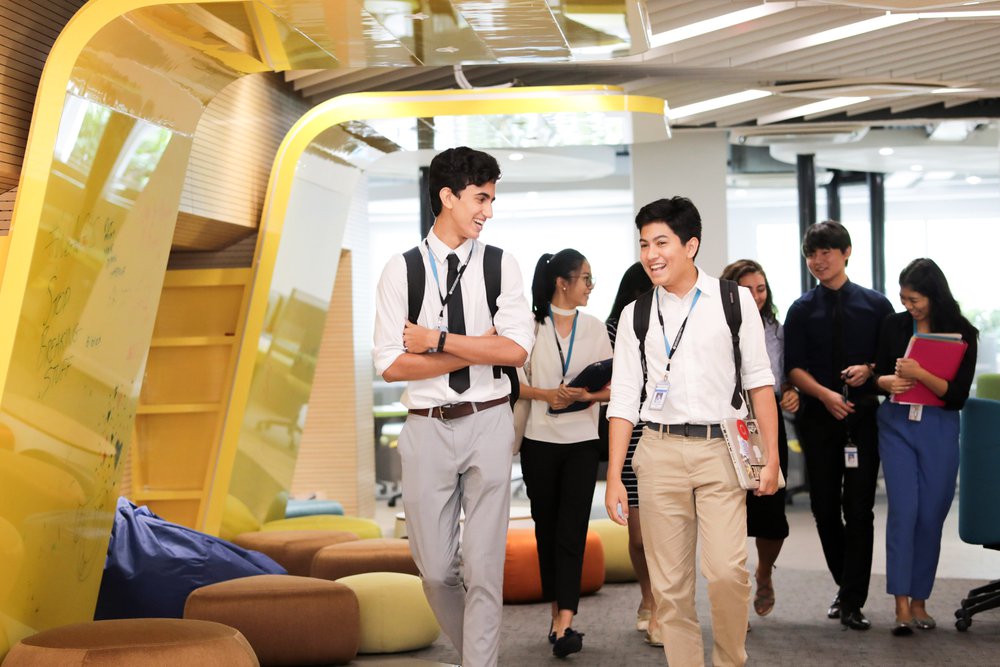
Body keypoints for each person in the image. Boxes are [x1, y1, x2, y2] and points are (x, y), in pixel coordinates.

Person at [372, 146, 534, 667]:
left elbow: (514, 351)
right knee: (437, 570)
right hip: (425, 428)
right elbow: (392, 365)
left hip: (488, 420)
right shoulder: (401, 271)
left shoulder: (501, 265)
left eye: (491, 198)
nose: (489, 210)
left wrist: (435, 339)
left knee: (485, 567)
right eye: (480, 198)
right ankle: (475, 653)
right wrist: (468, 345)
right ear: (447, 196)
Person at [605, 197, 779, 667]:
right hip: (657, 450)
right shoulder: (634, 314)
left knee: (726, 572)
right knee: (670, 588)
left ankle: (729, 660)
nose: (651, 254)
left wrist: (773, 458)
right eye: (643, 244)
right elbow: (623, 399)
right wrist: (616, 475)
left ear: (691, 245)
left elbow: (760, 382)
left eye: (661, 242)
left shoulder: (732, 300)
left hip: (721, 448)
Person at [784, 220, 894, 631]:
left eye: (826, 251)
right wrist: (825, 395)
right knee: (824, 508)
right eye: (811, 254)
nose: (818, 260)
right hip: (817, 418)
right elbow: (793, 368)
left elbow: (888, 362)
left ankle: (851, 600)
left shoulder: (876, 305)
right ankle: (846, 589)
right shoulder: (801, 308)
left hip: (863, 419)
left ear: (846, 252)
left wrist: (868, 369)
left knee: (859, 508)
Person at [874, 258, 978, 636]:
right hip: (897, 424)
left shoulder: (963, 332)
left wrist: (921, 375)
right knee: (904, 511)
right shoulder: (893, 325)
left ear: (934, 296)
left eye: (915, 299)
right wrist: (886, 381)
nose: (908, 306)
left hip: (939, 425)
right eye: (903, 297)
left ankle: (920, 599)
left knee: (931, 516)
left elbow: (958, 396)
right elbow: (876, 374)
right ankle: (901, 602)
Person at [517, 249, 612, 658]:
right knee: (547, 529)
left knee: (572, 529)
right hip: (538, 442)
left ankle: (567, 622)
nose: (590, 287)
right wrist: (547, 394)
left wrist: (585, 394)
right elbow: (511, 382)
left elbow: (615, 387)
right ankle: (557, 615)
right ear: (563, 282)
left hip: (581, 444)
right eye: (586, 278)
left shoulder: (594, 327)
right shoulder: (529, 327)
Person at [720, 259, 799, 618]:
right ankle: (734, 596)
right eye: (747, 289)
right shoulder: (715, 326)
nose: (755, 296)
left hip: (766, 426)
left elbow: (782, 378)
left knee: (770, 513)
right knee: (729, 513)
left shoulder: (776, 330)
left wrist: (791, 390)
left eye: (761, 289)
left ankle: (764, 572)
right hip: (726, 425)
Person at [605, 261, 661, 645]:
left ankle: (664, 606)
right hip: (631, 432)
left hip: (666, 431)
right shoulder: (618, 327)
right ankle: (647, 595)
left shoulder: (674, 323)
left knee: (668, 531)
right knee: (640, 536)